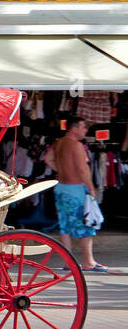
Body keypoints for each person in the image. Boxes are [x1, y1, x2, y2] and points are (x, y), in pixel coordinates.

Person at [52, 116, 107, 272]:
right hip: (75, 189)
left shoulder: (58, 143)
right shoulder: (76, 145)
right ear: (74, 128)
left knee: (64, 227)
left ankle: (68, 262)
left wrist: (62, 170)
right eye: (83, 127)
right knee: (86, 224)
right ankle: (89, 262)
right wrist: (91, 188)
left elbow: (48, 160)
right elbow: (83, 170)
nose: (85, 130)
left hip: (60, 188)